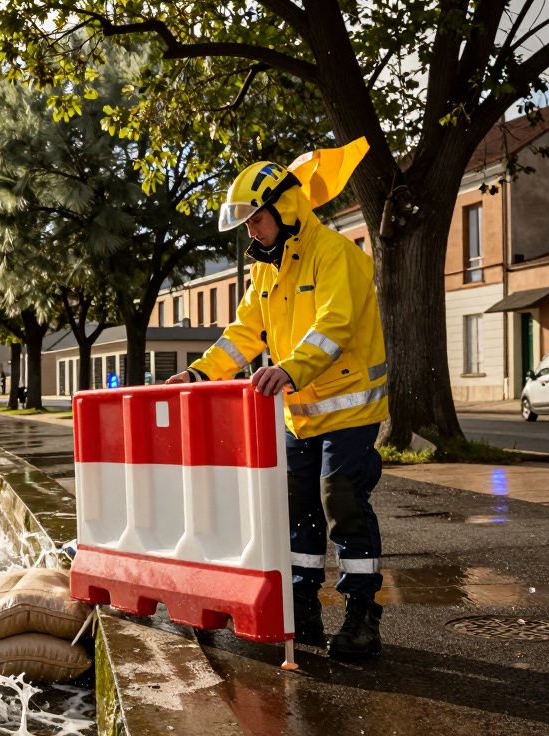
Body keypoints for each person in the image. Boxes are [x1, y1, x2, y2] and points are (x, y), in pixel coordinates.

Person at [168, 144, 388, 660]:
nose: (251, 230)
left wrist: (289, 369)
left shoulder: (337, 254)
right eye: (245, 221)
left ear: (285, 209)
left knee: (342, 501)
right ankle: (302, 607)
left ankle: (361, 616)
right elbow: (244, 333)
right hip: (299, 415)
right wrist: (202, 371)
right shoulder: (267, 268)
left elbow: (332, 326)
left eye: (256, 218)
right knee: (297, 510)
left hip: (350, 409)